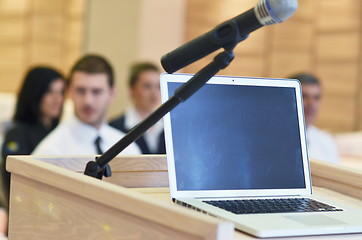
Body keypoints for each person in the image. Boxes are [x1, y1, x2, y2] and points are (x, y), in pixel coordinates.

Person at [32, 54, 141, 155]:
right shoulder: (51, 151)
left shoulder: (128, 149)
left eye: (96, 91)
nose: (87, 101)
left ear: (112, 94)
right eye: (80, 90)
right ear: (69, 91)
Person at [1, 66, 65, 206]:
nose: (57, 99)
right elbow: (14, 185)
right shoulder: (17, 134)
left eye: (60, 92)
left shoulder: (61, 132)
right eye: (50, 92)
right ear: (35, 94)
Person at [110, 62, 165, 154]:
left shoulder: (168, 127)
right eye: (147, 86)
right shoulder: (114, 127)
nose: (154, 93)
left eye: (158, 87)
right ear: (131, 90)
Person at [289, 73, 339, 163]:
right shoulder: (271, 138)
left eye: (316, 97)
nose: (311, 104)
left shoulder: (327, 141)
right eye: (304, 96)